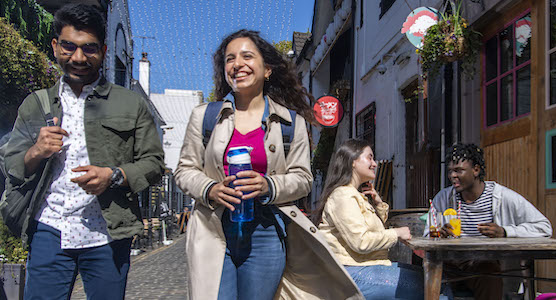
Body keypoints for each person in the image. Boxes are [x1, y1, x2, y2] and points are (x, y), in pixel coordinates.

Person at [174, 29, 362, 300]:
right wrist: (210, 188)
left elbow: (303, 179)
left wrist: (268, 184)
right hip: (213, 229)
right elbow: (184, 170)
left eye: (247, 56)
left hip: (265, 233)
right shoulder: (204, 117)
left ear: (267, 70)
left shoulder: (291, 123)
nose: (237, 64)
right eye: (230, 59)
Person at [2, 4, 165, 299]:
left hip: (107, 232)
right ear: (55, 46)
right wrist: (36, 151)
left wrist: (114, 176)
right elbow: (12, 165)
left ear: (103, 50)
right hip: (49, 228)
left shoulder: (131, 104)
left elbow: (154, 163)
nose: (78, 58)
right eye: (69, 46)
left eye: (89, 49)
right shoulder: (35, 104)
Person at [312, 139, 452, 300]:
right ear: (353, 162)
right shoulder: (343, 195)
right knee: (437, 288)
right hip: (350, 274)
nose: (375, 164)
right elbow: (361, 242)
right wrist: (396, 233)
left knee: (438, 279)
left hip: (364, 266)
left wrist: (378, 202)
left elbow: (372, 226)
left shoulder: (354, 195)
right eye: (369, 158)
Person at [424, 143, 552, 300]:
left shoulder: (503, 197)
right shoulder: (443, 198)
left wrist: (505, 232)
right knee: (421, 267)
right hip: (448, 263)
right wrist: (437, 234)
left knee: (489, 271)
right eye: (450, 171)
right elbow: (426, 235)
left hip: (481, 264)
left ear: (476, 170)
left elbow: (544, 227)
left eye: (458, 170)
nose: (452, 176)